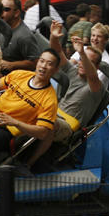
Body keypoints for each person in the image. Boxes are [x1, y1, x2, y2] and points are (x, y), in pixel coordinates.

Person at [24, 25, 103, 170]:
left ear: (96, 67)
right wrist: (54, 37)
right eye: (79, 58)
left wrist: (82, 53)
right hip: (54, 112)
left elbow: (92, 75)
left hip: (69, 125)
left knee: (49, 124)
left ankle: (28, 164)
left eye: (86, 61)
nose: (81, 62)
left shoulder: (97, 86)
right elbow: (57, 53)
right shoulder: (73, 72)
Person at [0, 44, 60, 168]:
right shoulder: (20, 74)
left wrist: (15, 122)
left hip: (8, 128)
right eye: (41, 61)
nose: (43, 66)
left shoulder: (50, 100)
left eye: (49, 63)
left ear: (55, 69)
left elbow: (42, 132)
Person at [0, 0, 47, 74]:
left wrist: (12, 65)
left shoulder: (24, 36)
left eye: (6, 9)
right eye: (0, 9)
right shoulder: (0, 29)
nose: (1, 13)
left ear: (16, 13)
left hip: (17, 80)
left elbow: (35, 62)